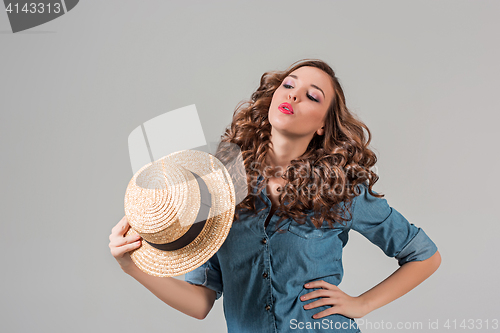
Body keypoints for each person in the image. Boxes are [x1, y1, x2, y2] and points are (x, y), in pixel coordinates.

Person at [109, 59, 441, 333]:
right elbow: (200, 303)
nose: (294, 96)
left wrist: (362, 304)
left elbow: (425, 255)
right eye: (288, 85)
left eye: (312, 96)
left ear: (323, 125)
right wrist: (132, 267)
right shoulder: (218, 188)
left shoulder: (341, 190)